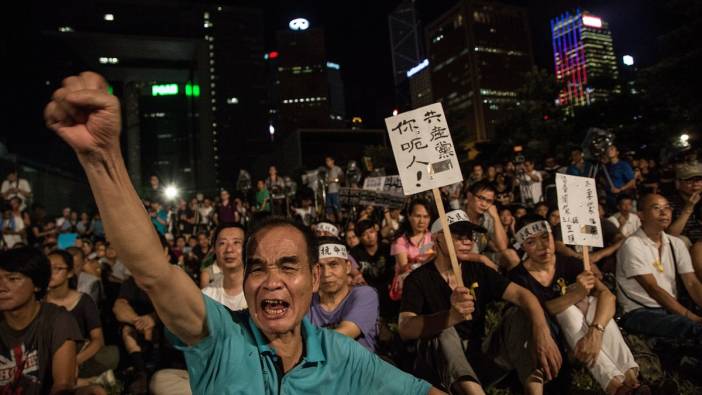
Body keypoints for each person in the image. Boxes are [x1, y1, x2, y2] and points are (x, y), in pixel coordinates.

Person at [45, 71, 443, 394]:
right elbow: (153, 271)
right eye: (258, 268)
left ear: (315, 278)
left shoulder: (340, 354)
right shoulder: (220, 337)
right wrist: (101, 159)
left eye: (289, 266)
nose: (271, 282)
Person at [399, 211, 562, 395]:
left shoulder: (478, 270)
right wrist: (451, 316)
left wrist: (542, 332)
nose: (467, 241)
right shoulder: (418, 279)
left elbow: (523, 296)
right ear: (437, 239)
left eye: (469, 236)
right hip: (440, 368)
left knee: (520, 314)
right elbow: (405, 328)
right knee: (444, 329)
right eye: (459, 236)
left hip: (480, 357)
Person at [508, 216, 646, 395]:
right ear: (523, 246)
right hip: (555, 342)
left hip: (585, 335)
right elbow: (542, 310)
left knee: (596, 303)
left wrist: (595, 332)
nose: (543, 246)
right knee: (567, 311)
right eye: (531, 242)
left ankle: (629, 379)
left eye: (545, 237)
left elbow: (607, 296)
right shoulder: (518, 277)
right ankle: (617, 385)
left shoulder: (570, 263)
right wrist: (578, 293)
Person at [0, 247, 99, 394]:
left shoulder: (58, 320)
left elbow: (62, 385)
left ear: (37, 284)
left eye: (13, 279)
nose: (2, 287)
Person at [616, 194, 702, 343]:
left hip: (669, 310)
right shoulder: (633, 244)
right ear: (641, 215)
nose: (664, 213)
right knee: (691, 327)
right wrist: (690, 316)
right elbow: (652, 288)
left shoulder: (676, 243)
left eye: (667, 208)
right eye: (656, 208)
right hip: (639, 312)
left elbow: (692, 283)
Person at [46, 250, 118, 384]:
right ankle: (90, 382)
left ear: (70, 273)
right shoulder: (39, 301)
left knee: (109, 356)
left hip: (80, 354)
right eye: (47, 268)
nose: (51, 273)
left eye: (57, 269)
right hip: (50, 355)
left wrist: (74, 361)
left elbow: (97, 339)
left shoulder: (84, 300)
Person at [308, 237, 379, 352]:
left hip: (358, 368)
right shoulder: (307, 300)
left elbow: (344, 334)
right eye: (319, 267)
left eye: (333, 264)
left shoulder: (365, 295)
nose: (326, 274)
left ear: (347, 267)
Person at [465, 181, 520, 270]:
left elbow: (503, 247)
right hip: (461, 259)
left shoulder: (487, 218)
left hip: (481, 257)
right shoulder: (457, 216)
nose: (484, 204)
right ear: (469, 196)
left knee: (510, 255)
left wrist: (496, 217)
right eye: (481, 198)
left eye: (489, 201)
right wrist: (481, 258)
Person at [350, 219, 397, 320]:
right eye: (364, 235)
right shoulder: (355, 252)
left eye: (371, 232)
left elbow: (394, 270)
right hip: (367, 290)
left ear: (376, 231)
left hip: (388, 289)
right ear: (359, 238)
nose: (369, 237)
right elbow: (355, 274)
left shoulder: (387, 248)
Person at [390, 199, 435, 300]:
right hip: (407, 284)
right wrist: (430, 258)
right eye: (417, 216)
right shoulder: (400, 241)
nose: (422, 221)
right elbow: (404, 268)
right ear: (409, 216)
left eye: (426, 217)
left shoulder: (434, 237)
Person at [201, 223, 247, 311]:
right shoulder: (207, 296)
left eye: (236, 242)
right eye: (222, 243)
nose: (229, 249)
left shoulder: (258, 293)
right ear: (214, 249)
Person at [666, 161, 702, 244]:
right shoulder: (669, 203)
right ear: (678, 183)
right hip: (683, 246)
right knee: (681, 240)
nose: (695, 184)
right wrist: (688, 208)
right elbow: (670, 236)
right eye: (689, 180)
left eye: (699, 179)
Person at [323, 155, 344, 222]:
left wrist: (334, 180)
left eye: (328, 161)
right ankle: (333, 223)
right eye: (326, 161)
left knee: (337, 208)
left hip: (336, 191)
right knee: (329, 210)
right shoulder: (327, 171)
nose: (327, 162)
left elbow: (342, 178)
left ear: (332, 161)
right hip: (329, 192)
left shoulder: (337, 169)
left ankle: (341, 223)